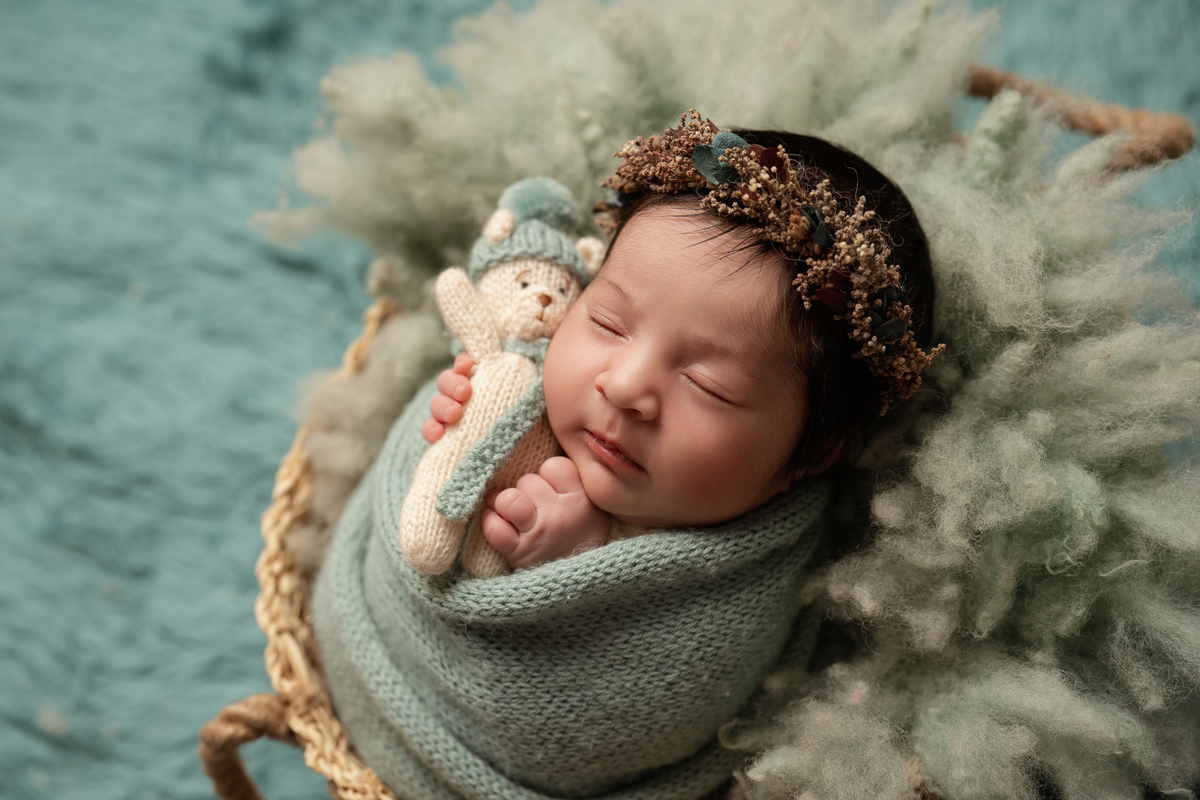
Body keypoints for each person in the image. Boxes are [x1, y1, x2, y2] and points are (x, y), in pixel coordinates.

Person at [421, 110, 943, 570]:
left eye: (707, 384)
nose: (624, 387)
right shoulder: (532, 363)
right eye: (607, 323)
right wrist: (472, 413)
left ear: (817, 451)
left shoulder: (739, 579)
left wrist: (577, 554)